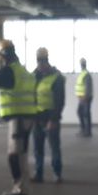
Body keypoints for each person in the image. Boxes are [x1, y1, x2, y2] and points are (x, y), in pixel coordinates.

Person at [0, 39, 39, 195]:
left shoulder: (9, 71)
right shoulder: (22, 70)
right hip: (27, 116)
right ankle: (23, 187)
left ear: (2, 55)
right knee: (22, 154)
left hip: (18, 118)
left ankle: (20, 189)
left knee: (15, 155)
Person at [31, 47, 66, 184]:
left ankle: (57, 173)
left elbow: (59, 101)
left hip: (50, 118)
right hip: (37, 118)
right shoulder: (35, 76)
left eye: (42, 62)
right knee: (37, 149)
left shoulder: (57, 78)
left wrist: (53, 120)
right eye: (38, 62)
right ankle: (38, 173)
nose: (40, 65)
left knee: (54, 147)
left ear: (47, 61)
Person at [75, 57, 94, 137]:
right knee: (80, 112)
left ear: (84, 64)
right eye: (81, 63)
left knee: (86, 114)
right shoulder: (82, 73)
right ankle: (83, 129)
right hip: (81, 98)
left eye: (82, 63)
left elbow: (88, 86)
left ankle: (88, 132)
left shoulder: (86, 74)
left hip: (85, 98)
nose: (81, 65)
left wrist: (85, 97)